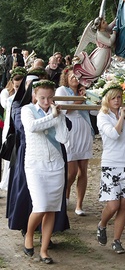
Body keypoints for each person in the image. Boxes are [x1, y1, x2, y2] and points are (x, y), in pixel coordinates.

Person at [21, 80, 70, 264]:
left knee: (51, 209)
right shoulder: (27, 110)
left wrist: (60, 118)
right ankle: (29, 234)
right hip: (35, 165)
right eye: (42, 97)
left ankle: (44, 250)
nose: (46, 101)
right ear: (35, 95)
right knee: (40, 205)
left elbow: (63, 138)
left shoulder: (56, 111)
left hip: (56, 165)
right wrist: (52, 117)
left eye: (50, 97)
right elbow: (33, 127)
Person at [96, 85, 125, 254]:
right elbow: (114, 134)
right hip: (111, 163)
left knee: (124, 204)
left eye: (119, 97)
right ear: (107, 100)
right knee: (114, 204)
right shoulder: (103, 116)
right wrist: (121, 118)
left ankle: (117, 240)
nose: (117, 101)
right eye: (113, 98)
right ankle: (102, 224)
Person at [55, 66, 96, 215]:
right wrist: (80, 100)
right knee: (71, 171)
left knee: (83, 170)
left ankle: (79, 205)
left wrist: (88, 96)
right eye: (72, 75)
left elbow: (95, 111)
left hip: (84, 130)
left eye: (77, 76)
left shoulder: (84, 91)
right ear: (66, 77)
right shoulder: (61, 90)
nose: (74, 78)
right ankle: (64, 196)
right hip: (70, 130)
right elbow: (65, 109)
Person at [73, 17, 116, 87]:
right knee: (97, 71)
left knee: (105, 68)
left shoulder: (104, 30)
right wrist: (114, 33)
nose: (106, 22)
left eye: (104, 21)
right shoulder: (99, 34)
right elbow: (110, 42)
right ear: (100, 26)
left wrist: (115, 20)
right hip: (102, 53)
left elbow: (110, 27)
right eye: (103, 22)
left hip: (106, 52)